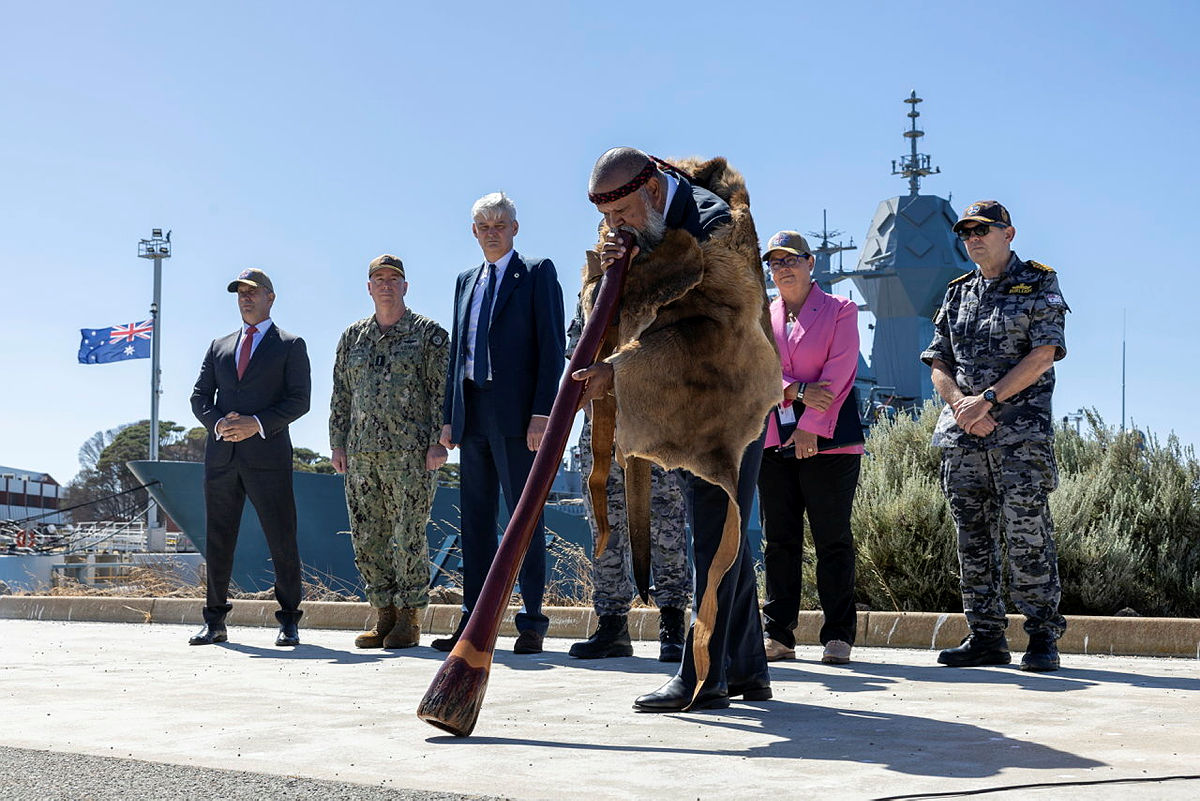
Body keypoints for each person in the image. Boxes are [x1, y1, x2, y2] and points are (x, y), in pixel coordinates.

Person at [573, 148, 779, 712]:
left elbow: (712, 330)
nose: (614, 227)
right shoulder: (636, 216)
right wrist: (608, 266)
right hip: (687, 395)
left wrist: (617, 370)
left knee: (715, 533)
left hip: (732, 394)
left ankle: (701, 677)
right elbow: (613, 307)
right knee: (721, 531)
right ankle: (749, 671)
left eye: (622, 217)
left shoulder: (719, 227)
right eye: (607, 219)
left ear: (655, 192)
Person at [920, 200, 1069, 672]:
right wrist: (960, 408)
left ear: (1009, 233)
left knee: (1027, 533)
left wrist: (986, 400)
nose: (973, 238)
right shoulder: (958, 292)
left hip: (1018, 436)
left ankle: (1042, 635)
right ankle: (985, 635)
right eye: (966, 232)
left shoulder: (1038, 282)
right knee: (973, 537)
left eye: (983, 229)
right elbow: (938, 360)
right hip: (963, 438)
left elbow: (1044, 354)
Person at [437, 192, 565, 655]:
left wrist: (542, 413)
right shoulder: (464, 280)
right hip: (473, 414)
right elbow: (458, 354)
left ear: (515, 228)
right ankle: (474, 623)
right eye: (484, 225)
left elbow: (551, 348)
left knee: (523, 516)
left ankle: (531, 621)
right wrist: (451, 418)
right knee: (475, 522)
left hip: (518, 417)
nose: (492, 231)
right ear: (474, 232)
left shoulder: (536, 272)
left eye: (500, 224)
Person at [329, 254, 449, 649]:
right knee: (368, 536)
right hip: (362, 455)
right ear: (368, 287)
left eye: (393, 278)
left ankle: (411, 616)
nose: (385, 284)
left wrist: (438, 442)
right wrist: (338, 442)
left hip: (412, 455)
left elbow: (440, 393)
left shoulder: (429, 334)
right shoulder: (352, 337)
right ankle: (384, 613)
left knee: (408, 535)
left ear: (405, 287)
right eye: (378, 279)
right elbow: (342, 394)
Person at [757, 231, 864, 666]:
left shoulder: (841, 310)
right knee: (778, 540)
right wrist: (796, 389)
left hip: (831, 442)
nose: (783, 268)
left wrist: (810, 428)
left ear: (810, 262)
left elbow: (839, 373)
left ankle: (838, 635)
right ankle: (777, 634)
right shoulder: (764, 316)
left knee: (832, 538)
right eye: (775, 262)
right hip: (771, 439)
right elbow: (759, 370)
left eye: (791, 260)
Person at [188, 268, 311, 647]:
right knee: (218, 539)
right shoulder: (219, 345)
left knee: (281, 538)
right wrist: (219, 424)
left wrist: (256, 423)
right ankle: (215, 621)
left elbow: (299, 401)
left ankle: (289, 620)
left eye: (252, 292)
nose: (245, 297)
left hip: (268, 457)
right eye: (240, 292)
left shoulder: (290, 344)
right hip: (222, 458)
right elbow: (198, 397)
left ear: (270, 297)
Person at [567, 413, 690, 662]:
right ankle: (613, 626)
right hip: (601, 426)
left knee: (665, 528)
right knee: (605, 529)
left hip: (657, 424)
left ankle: (672, 624)